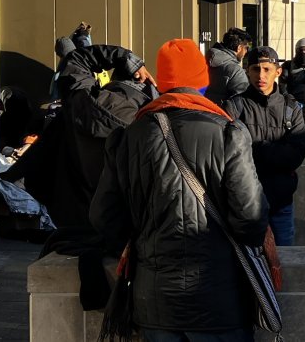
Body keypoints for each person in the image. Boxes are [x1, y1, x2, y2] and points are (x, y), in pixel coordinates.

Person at [91, 39, 267, 341]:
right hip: (220, 298)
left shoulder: (128, 137)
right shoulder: (229, 132)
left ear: (163, 83)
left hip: (155, 301)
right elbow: (250, 219)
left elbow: (104, 216)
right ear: (203, 80)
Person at [15, 43, 155, 230]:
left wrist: (125, 57)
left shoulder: (83, 101)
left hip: (73, 224)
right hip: (125, 232)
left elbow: (75, 60)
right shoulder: (152, 124)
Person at [224, 47, 305, 247]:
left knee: (283, 261)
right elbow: (228, 152)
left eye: (266, 69)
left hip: (281, 202)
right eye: (255, 69)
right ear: (247, 70)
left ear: (277, 72)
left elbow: (296, 153)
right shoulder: (235, 106)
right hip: (245, 202)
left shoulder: (291, 108)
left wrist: (255, 149)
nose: (260, 75)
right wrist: (274, 151)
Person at [205, 27, 252, 106]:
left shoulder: (203, 61)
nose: (246, 51)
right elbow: (241, 105)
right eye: (246, 48)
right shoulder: (236, 71)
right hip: (222, 116)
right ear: (239, 48)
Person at [281, 37, 305, 106]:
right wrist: (290, 100)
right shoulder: (288, 66)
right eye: (300, 50)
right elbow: (283, 87)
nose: (303, 53)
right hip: (293, 104)